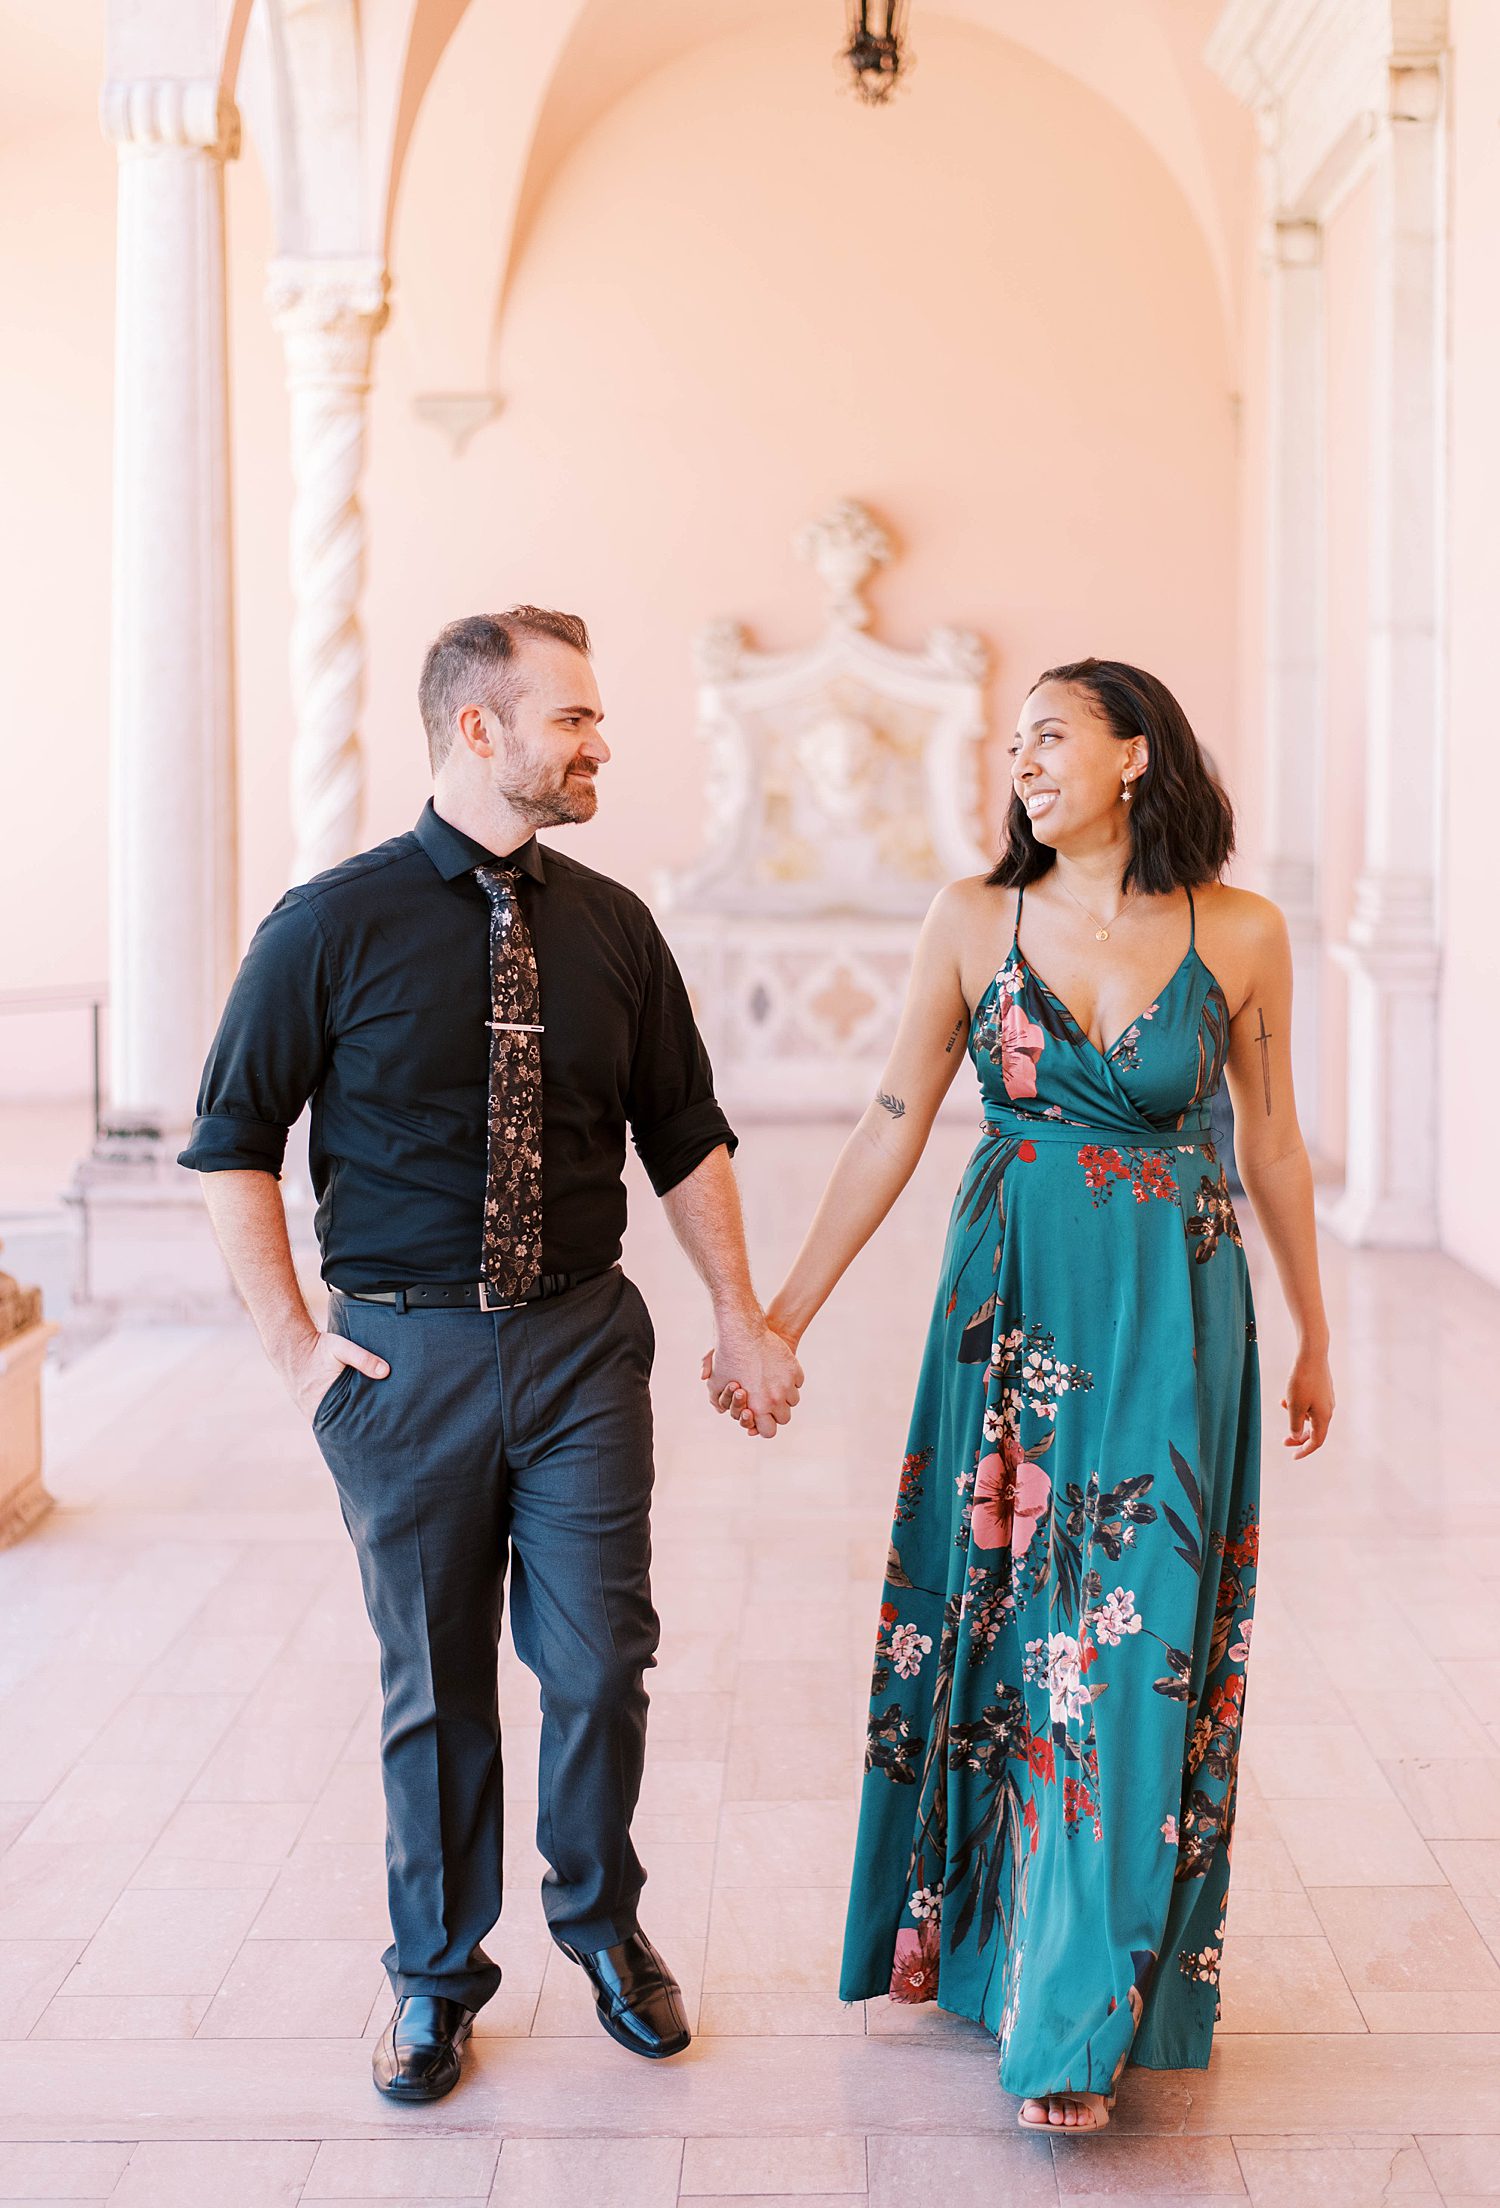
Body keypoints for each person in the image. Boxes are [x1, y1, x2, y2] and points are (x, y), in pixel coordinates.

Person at [181, 608, 802, 2102]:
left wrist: (736, 1308)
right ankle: (435, 1979)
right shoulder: (325, 927)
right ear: (481, 730)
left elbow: (685, 1136)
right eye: (574, 718)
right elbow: (230, 1147)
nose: (600, 744)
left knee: (602, 1662)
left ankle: (600, 1924)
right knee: (435, 1682)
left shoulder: (613, 926)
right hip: (403, 1367)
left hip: (586, 1346)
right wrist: (294, 1352)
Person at [711, 657, 1334, 2132]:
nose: (1023, 762)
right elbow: (888, 1124)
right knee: (1005, 1622)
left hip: (1180, 1318)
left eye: (1050, 737)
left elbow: (1280, 1147)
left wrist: (1315, 1331)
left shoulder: (1240, 932)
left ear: (1135, 755)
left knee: (1135, 1647)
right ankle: (999, 1951)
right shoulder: (968, 917)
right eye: (1015, 743)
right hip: (1011, 1312)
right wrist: (777, 1314)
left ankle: (1075, 2013)